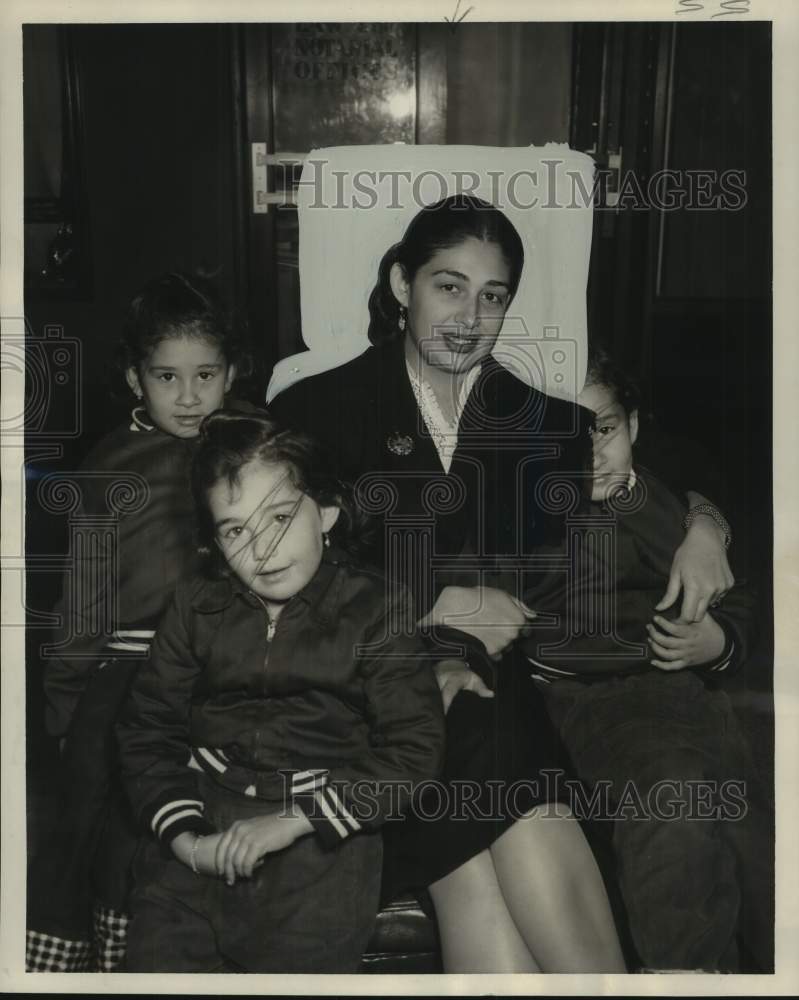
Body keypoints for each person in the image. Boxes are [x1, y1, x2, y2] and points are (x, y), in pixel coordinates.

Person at [271, 194, 736, 972]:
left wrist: (703, 519)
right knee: (489, 751)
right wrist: (430, 606)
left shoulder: (545, 424)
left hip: (491, 685)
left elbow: (674, 459)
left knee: (481, 839)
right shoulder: (313, 410)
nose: (468, 315)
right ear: (399, 285)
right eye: (447, 286)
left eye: (492, 296)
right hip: (361, 682)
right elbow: (278, 569)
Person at [116, 410, 446, 973]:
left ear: (328, 513)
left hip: (319, 838)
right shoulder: (196, 606)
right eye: (235, 530)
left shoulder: (376, 611)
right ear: (214, 543)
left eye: (279, 517)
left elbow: (413, 754)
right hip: (204, 818)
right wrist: (187, 840)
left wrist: (293, 821)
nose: (261, 550)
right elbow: (146, 730)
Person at [522, 345, 773, 972]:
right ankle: (683, 973)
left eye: (604, 428)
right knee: (673, 799)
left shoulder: (664, 498)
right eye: (566, 435)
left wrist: (719, 641)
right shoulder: (542, 512)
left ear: (631, 426)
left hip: (691, 688)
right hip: (597, 696)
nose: (592, 451)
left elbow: (733, 588)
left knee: (755, 828)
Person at [26, 273, 243, 972]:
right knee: (100, 818)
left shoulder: (251, 454)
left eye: (205, 375)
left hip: (227, 667)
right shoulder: (108, 470)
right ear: (133, 380)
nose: (188, 395)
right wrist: (66, 707)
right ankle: (111, 959)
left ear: (230, 374)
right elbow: (82, 605)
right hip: (126, 669)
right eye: (166, 377)